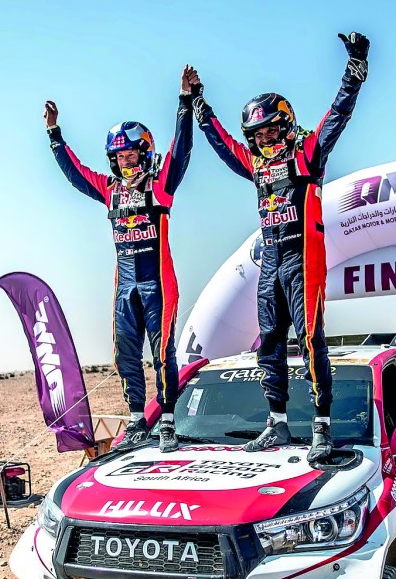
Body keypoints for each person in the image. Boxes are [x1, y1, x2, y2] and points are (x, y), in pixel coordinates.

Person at [188, 32, 370, 463]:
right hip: (270, 261)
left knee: (310, 341)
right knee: (268, 344)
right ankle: (276, 423)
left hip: (304, 259)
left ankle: (321, 428)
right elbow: (221, 143)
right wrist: (199, 104)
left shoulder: (307, 154)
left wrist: (354, 71)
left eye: (273, 129)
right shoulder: (254, 165)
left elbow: (337, 116)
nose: (266, 138)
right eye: (259, 133)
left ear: (287, 127)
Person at [42, 67, 197, 453]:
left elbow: (181, 151)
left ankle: (167, 421)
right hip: (124, 285)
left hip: (158, 283)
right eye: (119, 155)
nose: (125, 161)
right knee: (124, 352)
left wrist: (185, 102)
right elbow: (76, 174)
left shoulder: (160, 185)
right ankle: (136, 420)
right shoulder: (109, 190)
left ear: (144, 152)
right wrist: (54, 134)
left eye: (131, 153)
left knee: (162, 353)